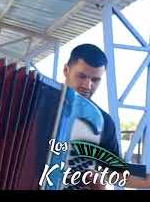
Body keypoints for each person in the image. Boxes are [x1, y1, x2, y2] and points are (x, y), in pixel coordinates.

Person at [63, 43, 150, 189]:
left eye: (95, 80)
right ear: (66, 70)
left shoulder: (103, 121)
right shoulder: (34, 99)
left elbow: (113, 170)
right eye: (81, 76)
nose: (87, 85)